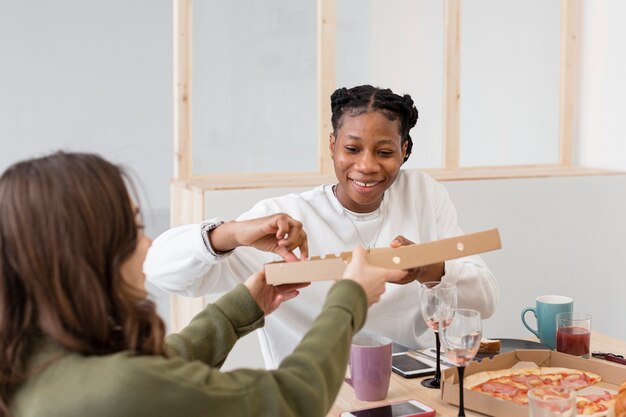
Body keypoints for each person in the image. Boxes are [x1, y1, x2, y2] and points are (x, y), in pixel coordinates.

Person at [0, 152, 406, 417]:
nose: (146, 246)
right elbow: (293, 399)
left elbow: (158, 373)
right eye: (134, 230)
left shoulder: (30, 360)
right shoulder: (110, 392)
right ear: (83, 256)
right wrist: (348, 300)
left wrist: (241, 308)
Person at [145, 84, 499, 368]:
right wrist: (234, 232)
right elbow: (161, 272)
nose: (367, 166)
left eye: (385, 152)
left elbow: (484, 298)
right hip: (308, 396)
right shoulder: (284, 219)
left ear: (404, 150)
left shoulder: (422, 194)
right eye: (352, 148)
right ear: (332, 146)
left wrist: (428, 268)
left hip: (406, 386)